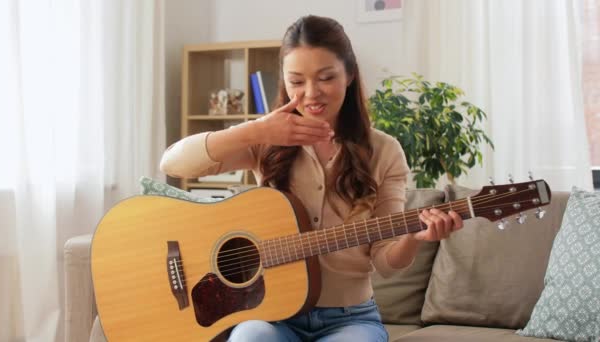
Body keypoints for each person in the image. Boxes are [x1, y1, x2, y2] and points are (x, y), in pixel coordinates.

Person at [160, 15, 463, 342]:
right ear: (284, 82)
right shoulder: (266, 139)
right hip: (272, 314)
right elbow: (173, 163)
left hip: (350, 319)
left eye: (326, 77)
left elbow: (387, 263)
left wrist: (413, 236)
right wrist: (256, 129)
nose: (311, 93)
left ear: (349, 75)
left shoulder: (385, 151)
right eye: (297, 81)